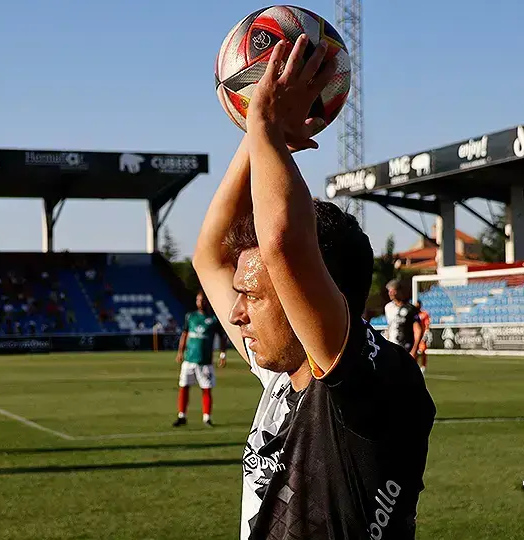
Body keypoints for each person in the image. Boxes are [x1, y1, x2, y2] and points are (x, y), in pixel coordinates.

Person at [193, 36, 436, 539]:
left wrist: (263, 126)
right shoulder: (286, 376)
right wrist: (261, 134)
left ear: (313, 294)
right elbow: (209, 255)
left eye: (253, 296)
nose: (236, 315)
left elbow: (284, 243)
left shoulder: (367, 387)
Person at [173, 290, 228, 427]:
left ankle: (207, 418)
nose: (200, 303)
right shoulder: (190, 316)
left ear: (207, 301)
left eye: (202, 300)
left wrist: (222, 354)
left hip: (205, 361)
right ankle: (182, 416)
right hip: (189, 359)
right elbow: (185, 334)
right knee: (183, 387)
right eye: (198, 300)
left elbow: (222, 337)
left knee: (206, 389)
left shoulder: (214, 319)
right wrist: (180, 352)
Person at [385, 279, 424, 360]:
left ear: (398, 291)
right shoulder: (388, 307)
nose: (390, 293)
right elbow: (390, 326)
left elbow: (418, 330)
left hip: (405, 347)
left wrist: (414, 350)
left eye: (392, 291)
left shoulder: (410, 309)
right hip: (392, 346)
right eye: (389, 291)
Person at [415, 300, 430, 374]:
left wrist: (426, 333)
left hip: (422, 335)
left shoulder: (424, 314)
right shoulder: (412, 314)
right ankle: (415, 366)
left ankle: (423, 367)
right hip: (414, 336)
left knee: (422, 351)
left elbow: (427, 324)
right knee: (415, 352)